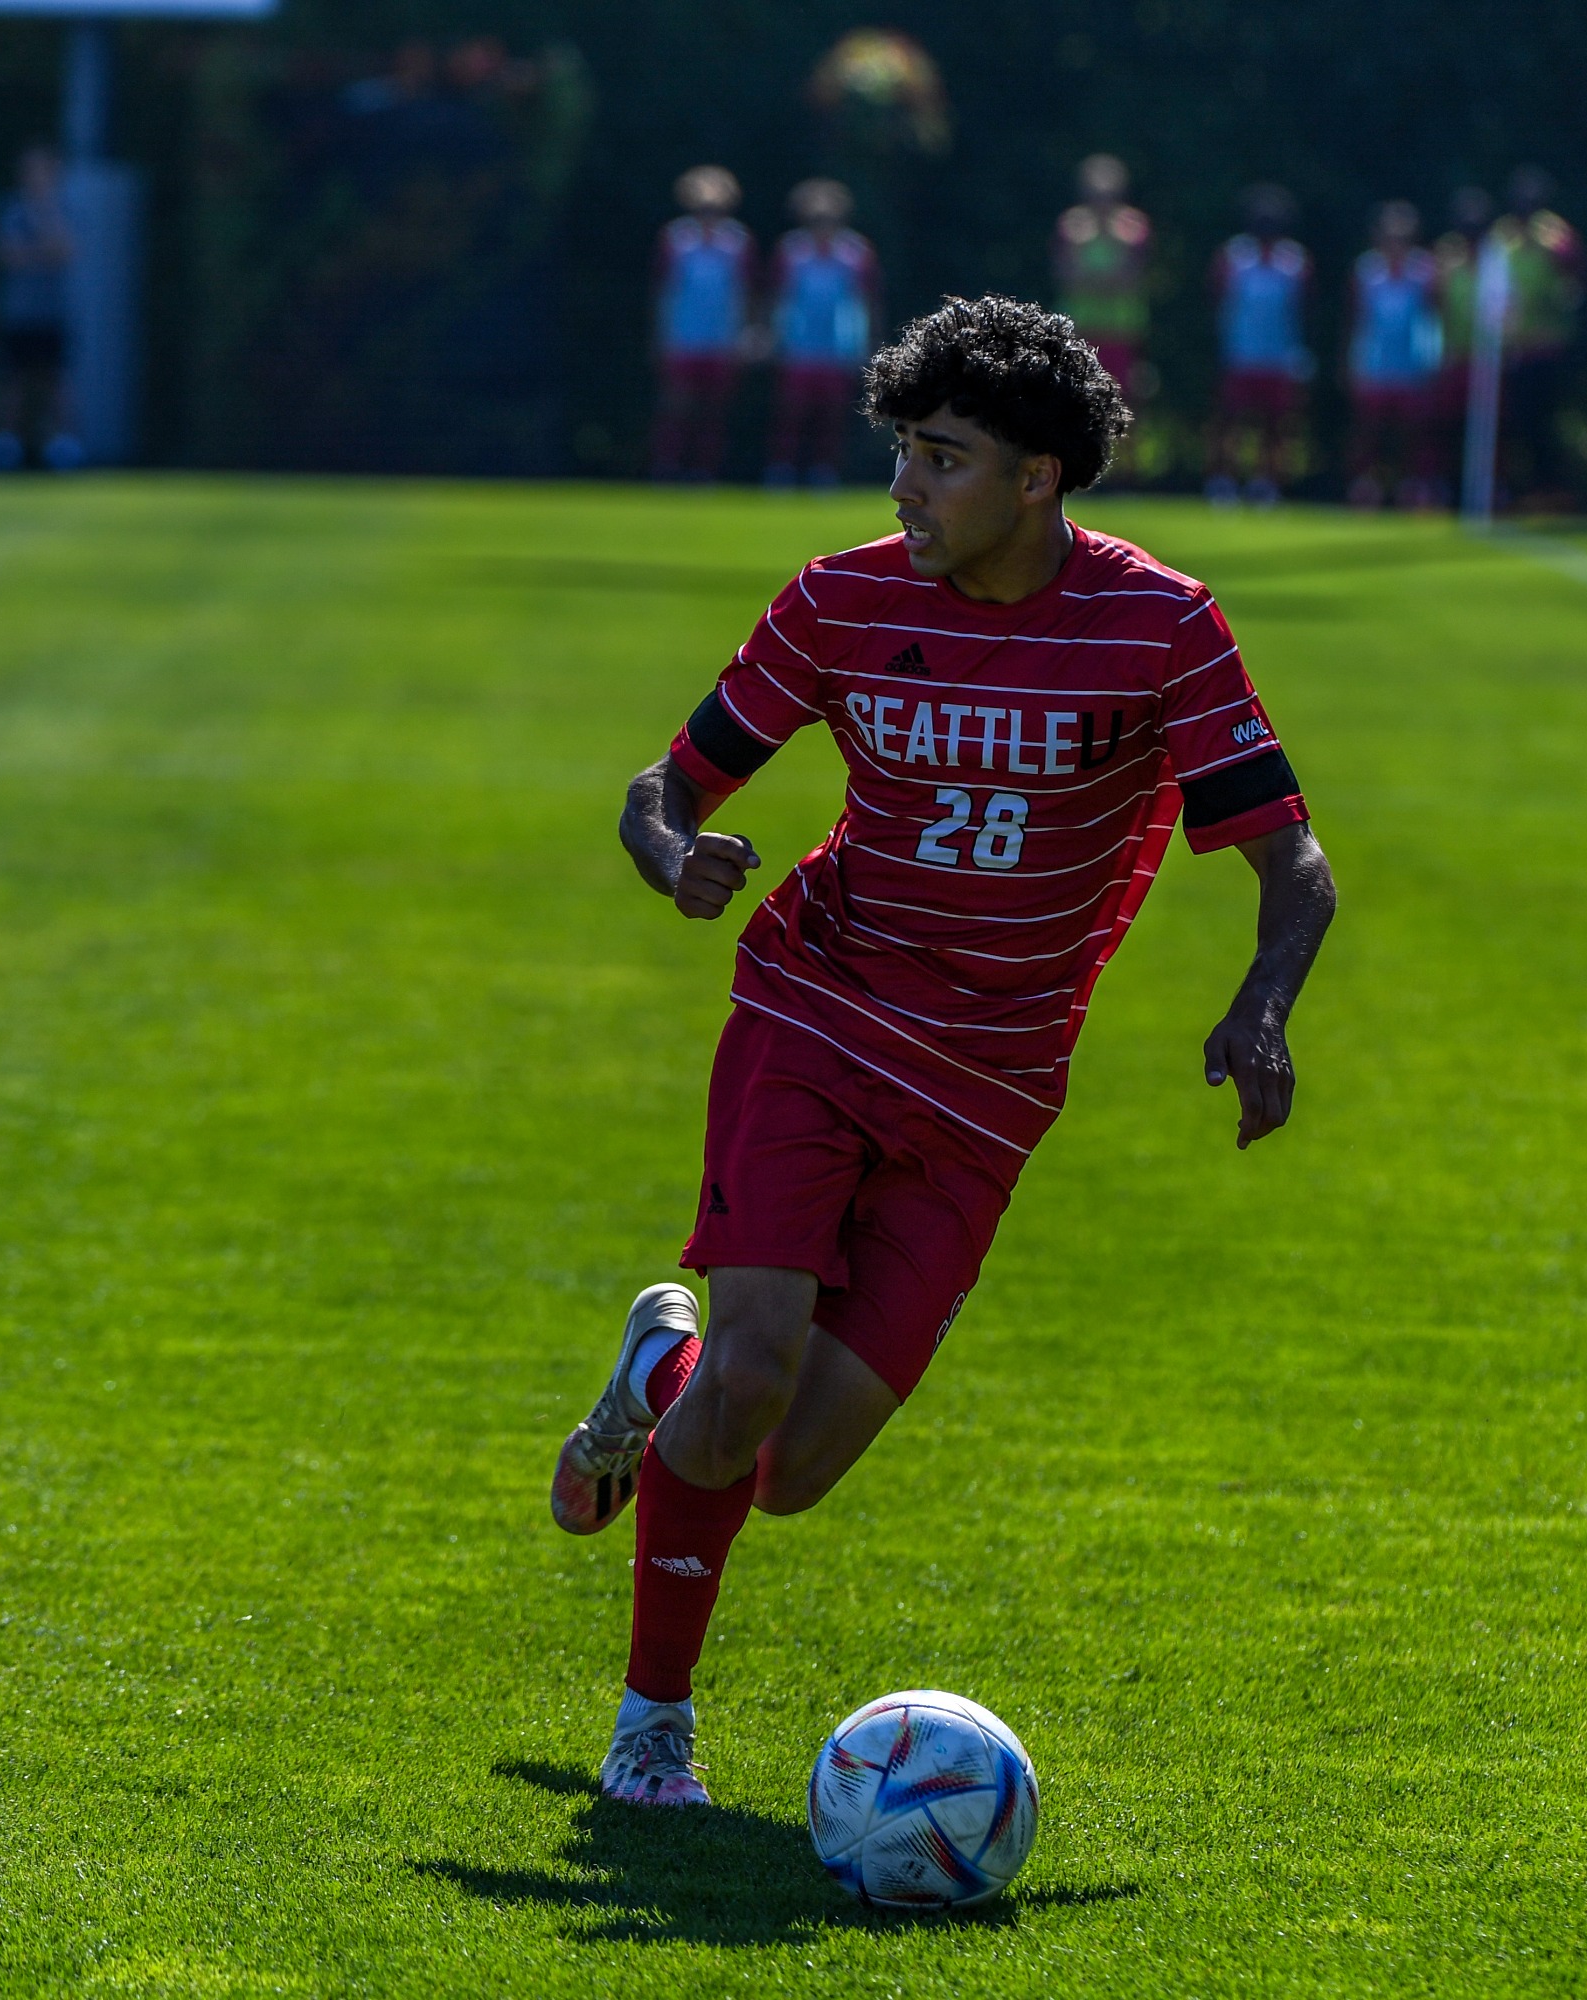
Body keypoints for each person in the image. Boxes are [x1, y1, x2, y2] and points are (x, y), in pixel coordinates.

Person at [548, 295, 1337, 1807]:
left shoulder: (1161, 626)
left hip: (990, 1089)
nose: (905, 487)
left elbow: (1295, 865)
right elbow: (670, 784)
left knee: (786, 1466)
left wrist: (1262, 1007)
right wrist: (674, 859)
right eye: (904, 451)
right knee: (763, 1363)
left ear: (1039, 477)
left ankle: (662, 1367)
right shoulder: (840, 601)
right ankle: (653, 1731)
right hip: (818, 1006)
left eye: (943, 458)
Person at [764, 179, 880, 488]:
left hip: (838, 347)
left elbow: (866, 301)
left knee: (832, 416)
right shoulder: (791, 251)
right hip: (798, 346)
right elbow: (777, 299)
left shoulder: (855, 253)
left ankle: (823, 471)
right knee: (791, 413)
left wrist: (866, 343)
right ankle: (783, 469)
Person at [1206, 183, 1312, 506]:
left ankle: (1267, 483)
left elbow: (1303, 309)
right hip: (1240, 352)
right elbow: (1218, 299)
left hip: (1280, 356)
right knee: (1230, 421)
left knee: (1276, 425)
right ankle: (1223, 479)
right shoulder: (1234, 257)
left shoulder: (1295, 262)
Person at [649, 166, 755, 482]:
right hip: (683, 336)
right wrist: (660, 334)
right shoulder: (676, 239)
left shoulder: (737, 242)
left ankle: (703, 471)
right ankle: (667, 467)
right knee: (677, 407)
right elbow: (663, 291)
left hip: (722, 338)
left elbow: (746, 293)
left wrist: (745, 334)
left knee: (713, 410)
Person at [1496, 166, 1587, 506]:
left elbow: (1576, 279)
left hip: (1549, 346)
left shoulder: (1556, 235)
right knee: (1519, 423)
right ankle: (1528, 488)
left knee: (1544, 422)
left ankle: (1552, 488)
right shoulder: (1504, 236)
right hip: (1515, 347)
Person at [0, 145, 80, 473]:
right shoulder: (10, 208)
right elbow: (9, 254)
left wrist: (44, 223)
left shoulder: (61, 207)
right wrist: (43, 252)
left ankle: (64, 444)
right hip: (17, 312)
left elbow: (65, 249)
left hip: (51, 311)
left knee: (56, 379)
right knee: (13, 380)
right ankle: (7, 444)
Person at [1347, 199, 1446, 509]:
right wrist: (1352, 362)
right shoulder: (1366, 271)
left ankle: (1415, 487)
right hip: (1375, 364)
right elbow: (1355, 321)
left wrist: (1434, 358)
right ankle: (1365, 487)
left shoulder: (1425, 271)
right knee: (1368, 433)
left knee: (1416, 434)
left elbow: (1435, 317)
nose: (1395, 242)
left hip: (1413, 365)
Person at [1055, 155, 1153, 412]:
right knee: (1077, 402)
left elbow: (1132, 279)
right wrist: (1109, 281)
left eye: (1107, 194)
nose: (1101, 201)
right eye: (1094, 194)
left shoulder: (1134, 227)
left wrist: (1091, 280)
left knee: (1124, 402)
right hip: (1082, 329)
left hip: (1122, 329)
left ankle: (1127, 454)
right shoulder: (1070, 226)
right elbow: (1068, 279)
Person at [1431, 186, 1493, 508]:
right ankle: (1444, 486)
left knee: (1488, 430)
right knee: (1445, 425)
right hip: (1454, 357)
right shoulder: (1446, 259)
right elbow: (1437, 308)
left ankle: (1490, 488)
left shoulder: (1497, 259)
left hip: (1488, 362)